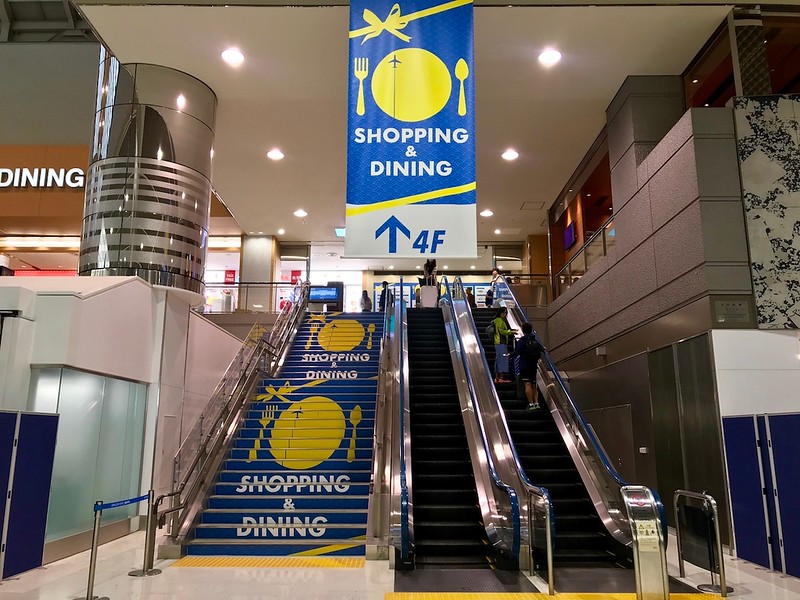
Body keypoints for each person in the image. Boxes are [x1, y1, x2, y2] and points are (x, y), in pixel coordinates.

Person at [512, 322, 544, 409]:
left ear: (523, 330)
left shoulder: (522, 341)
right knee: (534, 385)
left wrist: (511, 356)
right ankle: (536, 403)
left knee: (527, 384)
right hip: (533, 365)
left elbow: (516, 353)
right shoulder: (535, 340)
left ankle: (531, 404)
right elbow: (541, 349)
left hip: (525, 365)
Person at [492, 307, 517, 383]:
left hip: (498, 342)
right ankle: (501, 378)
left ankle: (497, 378)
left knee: (498, 360)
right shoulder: (500, 321)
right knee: (502, 359)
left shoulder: (496, 321)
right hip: (501, 342)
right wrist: (511, 332)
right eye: (504, 313)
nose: (505, 315)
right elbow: (502, 332)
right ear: (501, 313)